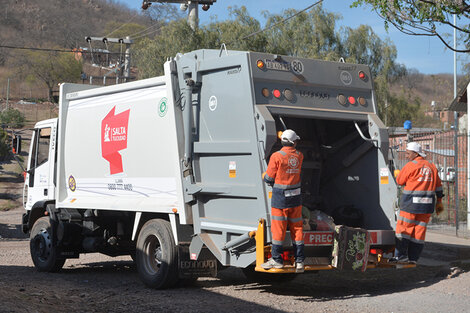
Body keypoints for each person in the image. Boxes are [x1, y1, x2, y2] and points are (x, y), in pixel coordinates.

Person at [391, 142, 444, 264]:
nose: (406, 156)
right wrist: (439, 201)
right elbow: (438, 186)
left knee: (403, 230)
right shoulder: (431, 166)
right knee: (418, 233)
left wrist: (398, 174)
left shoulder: (411, 165)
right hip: (427, 206)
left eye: (408, 153)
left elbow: (400, 181)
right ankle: (413, 259)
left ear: (416, 153)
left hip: (410, 205)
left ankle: (401, 256)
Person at [261, 129, 305, 272]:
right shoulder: (300, 156)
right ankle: (299, 261)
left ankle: (277, 260)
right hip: (295, 199)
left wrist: (264, 175)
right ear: (294, 142)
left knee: (278, 229)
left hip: (280, 200)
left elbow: (269, 178)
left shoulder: (276, 156)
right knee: (297, 228)